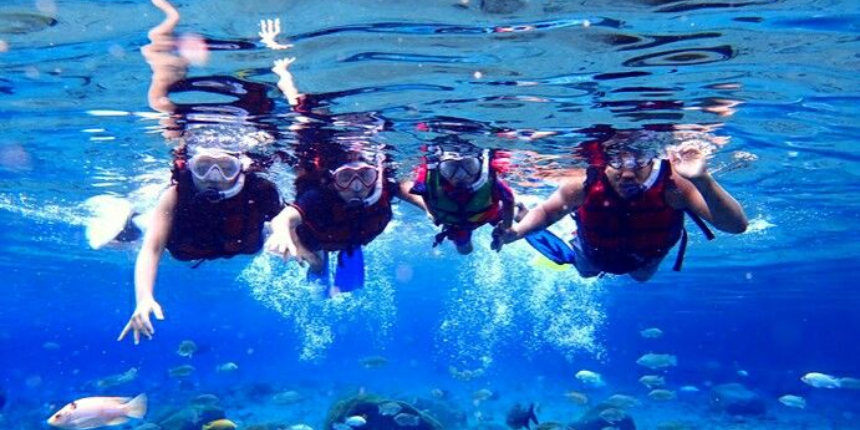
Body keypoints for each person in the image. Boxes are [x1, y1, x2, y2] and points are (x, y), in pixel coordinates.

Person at [117, 0, 285, 344]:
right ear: (190, 163)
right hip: (186, 246)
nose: (211, 176)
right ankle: (168, 21)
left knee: (165, 101)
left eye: (225, 167)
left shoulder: (261, 190)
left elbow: (287, 219)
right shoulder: (177, 193)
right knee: (138, 234)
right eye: (203, 165)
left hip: (236, 242)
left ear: (243, 167)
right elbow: (152, 250)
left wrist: (290, 238)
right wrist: (143, 297)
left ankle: (203, 37)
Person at [496, 130, 748, 282]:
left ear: (655, 156)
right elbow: (548, 211)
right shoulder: (584, 182)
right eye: (616, 161)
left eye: (640, 161)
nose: (627, 173)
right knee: (587, 272)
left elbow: (737, 226)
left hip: (648, 255)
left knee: (640, 277)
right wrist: (516, 233)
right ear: (602, 159)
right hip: (593, 251)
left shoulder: (675, 184)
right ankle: (523, 218)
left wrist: (703, 180)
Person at [406, 136, 516, 254]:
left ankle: (520, 208)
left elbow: (508, 200)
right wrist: (433, 213)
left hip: (490, 213)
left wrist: (506, 226)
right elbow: (424, 195)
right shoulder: (430, 179)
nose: (461, 175)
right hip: (458, 225)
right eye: (450, 169)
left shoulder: (490, 180)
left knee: (513, 231)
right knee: (465, 250)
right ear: (439, 169)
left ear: (480, 166)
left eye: (469, 166)